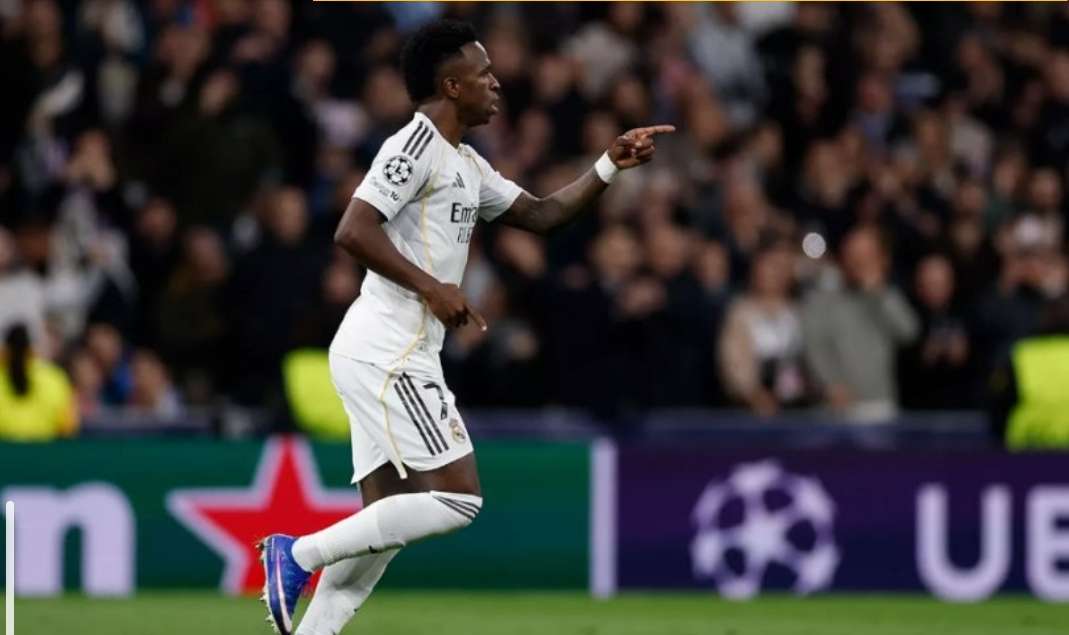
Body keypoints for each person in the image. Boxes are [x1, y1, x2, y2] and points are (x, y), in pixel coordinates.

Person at [257, 20, 673, 635]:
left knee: (379, 538)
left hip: (391, 349)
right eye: (483, 73)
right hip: (388, 348)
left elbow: (541, 215)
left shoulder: (467, 164)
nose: (496, 83)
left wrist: (607, 165)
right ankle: (295, 554)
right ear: (451, 86)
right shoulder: (413, 146)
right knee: (459, 498)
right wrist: (432, 286)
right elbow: (353, 229)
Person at [801, 226, 919, 422]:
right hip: (833, 406)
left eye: (866, 256)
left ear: (882, 259)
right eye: (853, 255)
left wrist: (878, 293)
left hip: (878, 405)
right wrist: (830, 384)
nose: (859, 262)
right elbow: (814, 347)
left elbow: (909, 332)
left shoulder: (886, 297)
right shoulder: (822, 299)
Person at [0, 323, 79, 441]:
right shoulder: (55, 379)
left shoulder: (56, 379)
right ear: (33, 349)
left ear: (4, 350)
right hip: (45, 451)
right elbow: (68, 430)